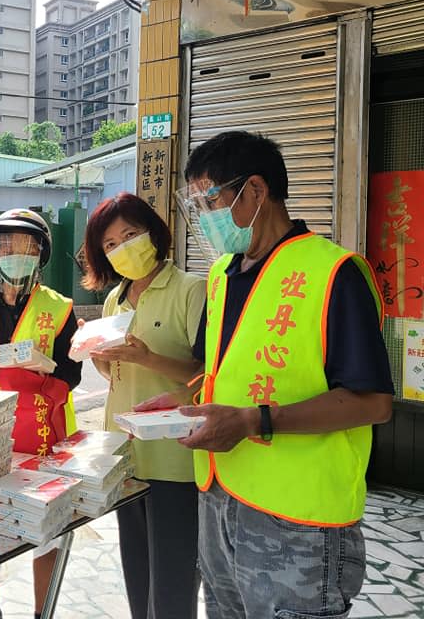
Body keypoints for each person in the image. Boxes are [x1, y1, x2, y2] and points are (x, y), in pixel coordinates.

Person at [139, 130, 393, 619]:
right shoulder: (222, 274)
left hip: (299, 525)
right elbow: (217, 371)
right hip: (218, 500)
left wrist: (255, 421)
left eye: (209, 200)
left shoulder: (333, 273)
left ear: (255, 191)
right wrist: (178, 402)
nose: (204, 219)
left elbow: (372, 402)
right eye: (195, 205)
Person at [0, 208, 82, 619]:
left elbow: (73, 371)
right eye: (6, 244)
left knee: (48, 531)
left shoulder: (59, 309)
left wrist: (47, 367)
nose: (15, 252)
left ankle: (44, 610)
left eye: (26, 245)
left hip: (43, 435)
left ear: (41, 253)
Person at [80, 192, 205, 619]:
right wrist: (97, 355)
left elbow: (207, 374)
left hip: (177, 458)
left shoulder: (192, 289)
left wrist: (146, 356)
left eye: (130, 235)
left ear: (153, 232)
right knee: (137, 572)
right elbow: (116, 374)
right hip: (124, 456)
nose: (122, 248)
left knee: (173, 582)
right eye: (111, 244)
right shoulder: (116, 299)